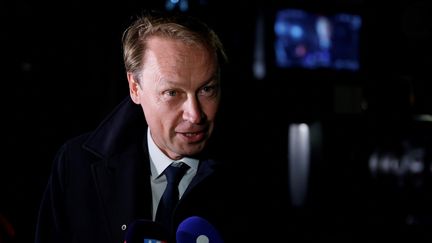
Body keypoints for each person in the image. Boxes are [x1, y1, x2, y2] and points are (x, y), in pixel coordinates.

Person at [34, 10, 260, 243]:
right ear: (135, 88)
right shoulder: (75, 168)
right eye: (172, 93)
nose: (195, 115)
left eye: (207, 89)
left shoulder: (257, 177)